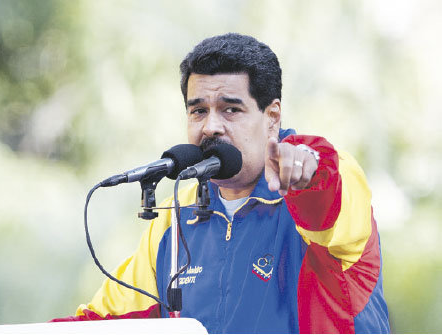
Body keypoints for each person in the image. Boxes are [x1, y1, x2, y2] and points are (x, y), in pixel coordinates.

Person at [52, 33, 390, 333]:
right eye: (198, 111)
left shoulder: (323, 175)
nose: (211, 126)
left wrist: (307, 170)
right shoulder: (178, 215)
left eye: (230, 110)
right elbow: (101, 323)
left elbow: (323, 189)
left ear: (272, 118)